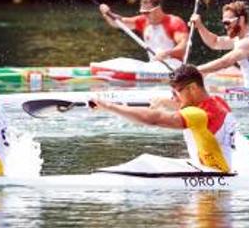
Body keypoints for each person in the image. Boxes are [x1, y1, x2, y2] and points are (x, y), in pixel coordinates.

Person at [90, 64, 237, 173]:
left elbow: (154, 119)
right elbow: (194, 110)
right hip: (214, 169)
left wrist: (110, 106)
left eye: (176, 92)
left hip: (213, 177)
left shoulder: (198, 115)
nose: (174, 97)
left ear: (192, 88)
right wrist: (166, 102)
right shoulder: (218, 102)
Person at [191, 1, 249, 94]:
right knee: (209, 89)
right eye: (224, 23)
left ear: (241, 19)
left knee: (206, 92)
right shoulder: (240, 38)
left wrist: (192, 70)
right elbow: (215, 42)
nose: (226, 27)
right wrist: (200, 26)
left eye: (227, 22)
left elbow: (224, 62)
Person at [99, 0, 188, 65]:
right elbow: (118, 23)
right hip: (154, 65)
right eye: (142, 12)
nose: (144, 15)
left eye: (147, 12)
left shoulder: (174, 22)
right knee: (120, 62)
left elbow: (184, 47)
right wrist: (107, 13)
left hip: (174, 66)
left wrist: (167, 53)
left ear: (158, 9)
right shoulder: (143, 21)